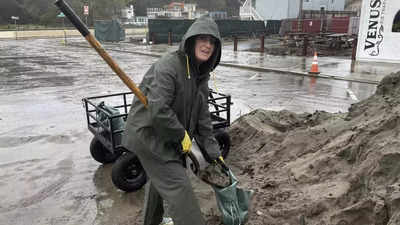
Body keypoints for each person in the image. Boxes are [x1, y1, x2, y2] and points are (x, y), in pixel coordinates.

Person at [122, 16, 223, 225]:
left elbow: (203, 117)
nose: (208, 45)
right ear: (191, 40)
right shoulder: (168, 66)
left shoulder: (201, 75)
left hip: (167, 135)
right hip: (148, 134)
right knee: (180, 187)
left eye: (212, 41)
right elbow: (159, 109)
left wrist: (214, 152)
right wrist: (181, 135)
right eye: (203, 39)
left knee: (160, 182)